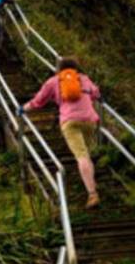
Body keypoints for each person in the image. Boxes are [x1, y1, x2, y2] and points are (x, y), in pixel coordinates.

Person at [20, 56, 102, 209]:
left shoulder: (54, 81)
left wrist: (23, 108)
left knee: (81, 156)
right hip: (90, 120)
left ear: (58, 69)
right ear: (76, 68)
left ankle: (92, 194)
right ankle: (92, 181)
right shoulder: (83, 78)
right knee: (86, 154)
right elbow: (96, 94)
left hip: (70, 122)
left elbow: (38, 101)